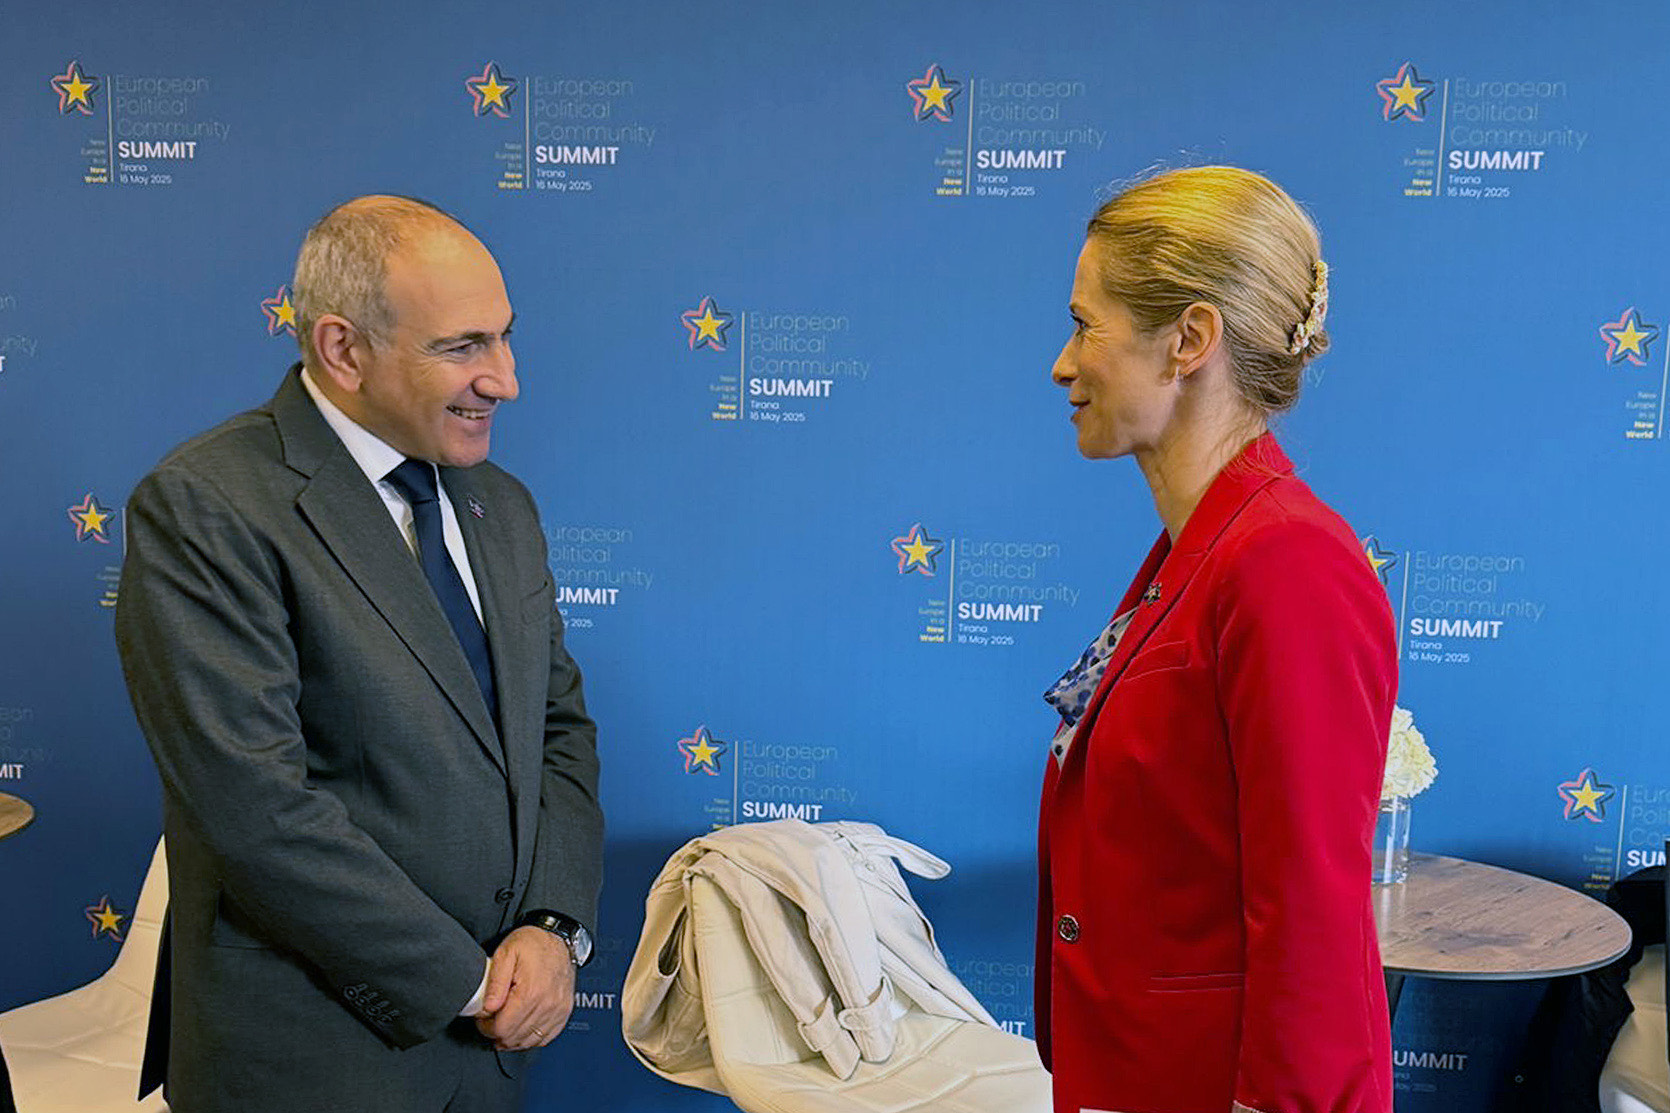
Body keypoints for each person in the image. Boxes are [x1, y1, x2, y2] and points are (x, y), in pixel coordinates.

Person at [114, 195, 604, 1113]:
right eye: (463, 346)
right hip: (310, 1062)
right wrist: (468, 983)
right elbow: (256, 808)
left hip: (493, 1060)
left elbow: (558, 731)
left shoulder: (502, 506)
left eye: (505, 337)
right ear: (343, 350)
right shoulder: (206, 507)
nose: (505, 379)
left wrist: (551, 925)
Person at [1035, 167, 1396, 1113]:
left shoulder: (1287, 563)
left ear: (1189, 340)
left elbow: (1313, 911)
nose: (1063, 365)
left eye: (1085, 325)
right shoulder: (1199, 551)